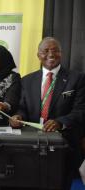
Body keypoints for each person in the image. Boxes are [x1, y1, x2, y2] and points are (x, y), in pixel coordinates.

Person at [9, 37, 85, 188]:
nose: (51, 54)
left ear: (61, 54)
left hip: (63, 148)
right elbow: (22, 107)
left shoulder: (77, 79)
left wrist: (60, 122)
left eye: (55, 50)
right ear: (38, 55)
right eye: (46, 51)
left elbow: (81, 111)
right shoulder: (27, 80)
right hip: (31, 146)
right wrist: (18, 117)